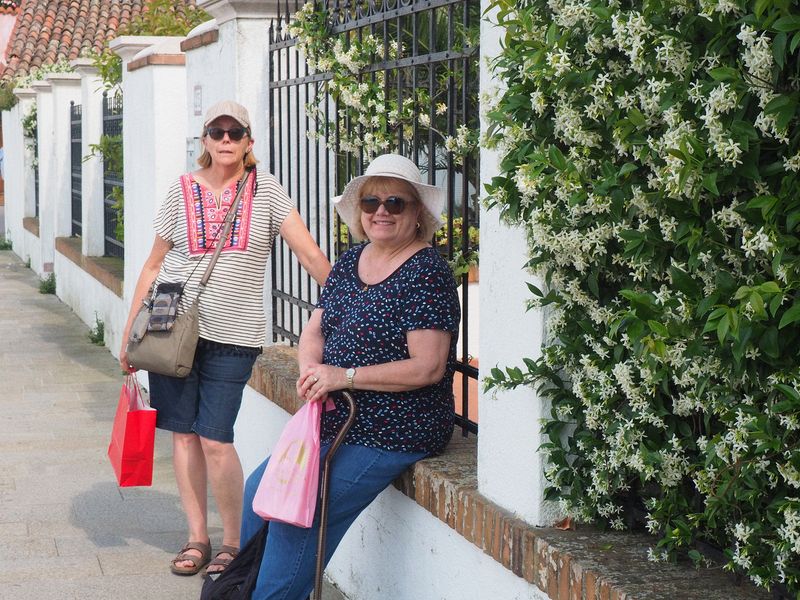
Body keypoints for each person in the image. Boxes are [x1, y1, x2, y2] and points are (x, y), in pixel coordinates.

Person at [118, 100, 331, 578]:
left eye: (236, 132)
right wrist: (129, 332)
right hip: (169, 328)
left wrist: (349, 306)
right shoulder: (181, 192)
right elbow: (154, 266)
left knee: (216, 438)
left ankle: (232, 542)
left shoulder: (268, 192)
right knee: (184, 434)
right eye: (217, 131)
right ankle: (196, 537)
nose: (227, 139)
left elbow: (310, 255)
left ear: (249, 141)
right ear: (205, 141)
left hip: (234, 334)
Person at [239, 153, 460, 599]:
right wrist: (310, 369)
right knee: (257, 494)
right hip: (336, 421)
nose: (381, 210)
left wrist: (344, 376)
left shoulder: (427, 273)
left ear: (418, 212)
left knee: (299, 515)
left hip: (393, 429)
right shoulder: (351, 259)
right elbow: (315, 329)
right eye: (371, 201)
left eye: (395, 202)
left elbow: (429, 366)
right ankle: (243, 588)